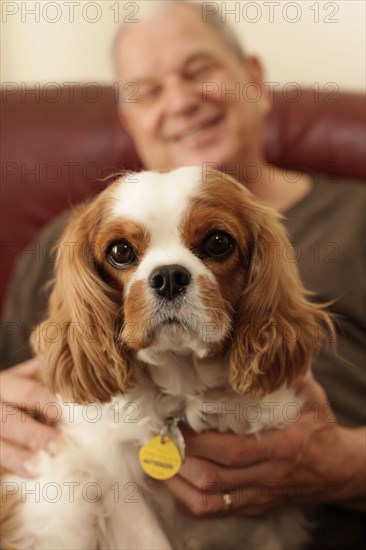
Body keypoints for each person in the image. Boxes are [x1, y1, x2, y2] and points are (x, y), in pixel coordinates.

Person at [1, 1, 365, 546]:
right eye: (148, 91)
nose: (180, 101)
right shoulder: (66, 240)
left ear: (256, 81)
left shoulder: (355, 217)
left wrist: (347, 466)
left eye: (200, 72)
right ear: (129, 120)